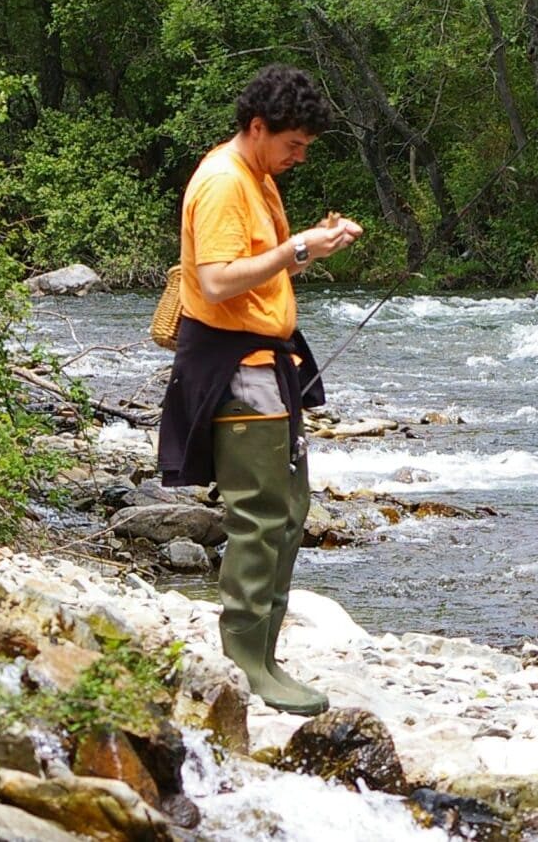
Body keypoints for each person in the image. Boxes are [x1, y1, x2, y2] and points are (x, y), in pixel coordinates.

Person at [158, 64, 362, 715]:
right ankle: (248, 662)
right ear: (256, 127)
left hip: (264, 362)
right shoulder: (223, 183)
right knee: (259, 517)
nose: (299, 157)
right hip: (235, 367)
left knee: (290, 509)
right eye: (293, 144)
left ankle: (266, 653)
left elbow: (261, 267)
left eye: (304, 146)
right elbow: (217, 282)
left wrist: (311, 246)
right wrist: (299, 250)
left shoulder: (258, 177)